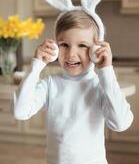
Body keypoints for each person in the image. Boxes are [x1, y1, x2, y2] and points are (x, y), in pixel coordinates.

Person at [14, 10, 133, 164]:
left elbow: (121, 123)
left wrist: (106, 72)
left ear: (96, 50)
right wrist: (36, 66)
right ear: (55, 46)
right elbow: (20, 111)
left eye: (82, 45)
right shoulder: (50, 84)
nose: (71, 54)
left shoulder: (100, 86)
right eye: (64, 45)